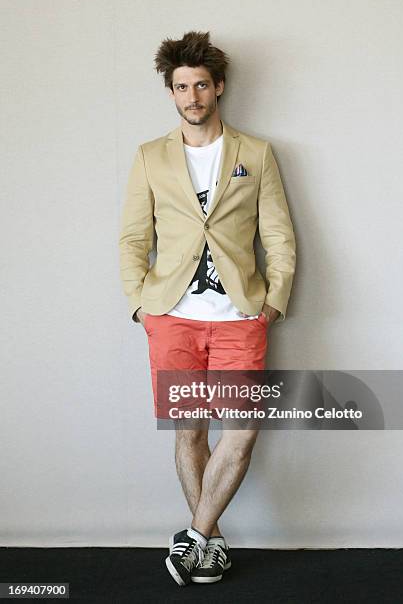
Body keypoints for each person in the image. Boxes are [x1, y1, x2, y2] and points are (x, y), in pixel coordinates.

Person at [119, 30, 296, 587]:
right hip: (171, 316)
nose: (192, 96)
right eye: (181, 87)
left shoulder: (257, 153)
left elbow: (279, 236)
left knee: (241, 430)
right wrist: (140, 306)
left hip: (241, 315)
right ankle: (211, 545)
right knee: (190, 431)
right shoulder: (150, 156)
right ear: (171, 94)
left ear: (218, 87)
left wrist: (271, 304)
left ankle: (191, 537)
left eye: (201, 85)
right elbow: (131, 239)